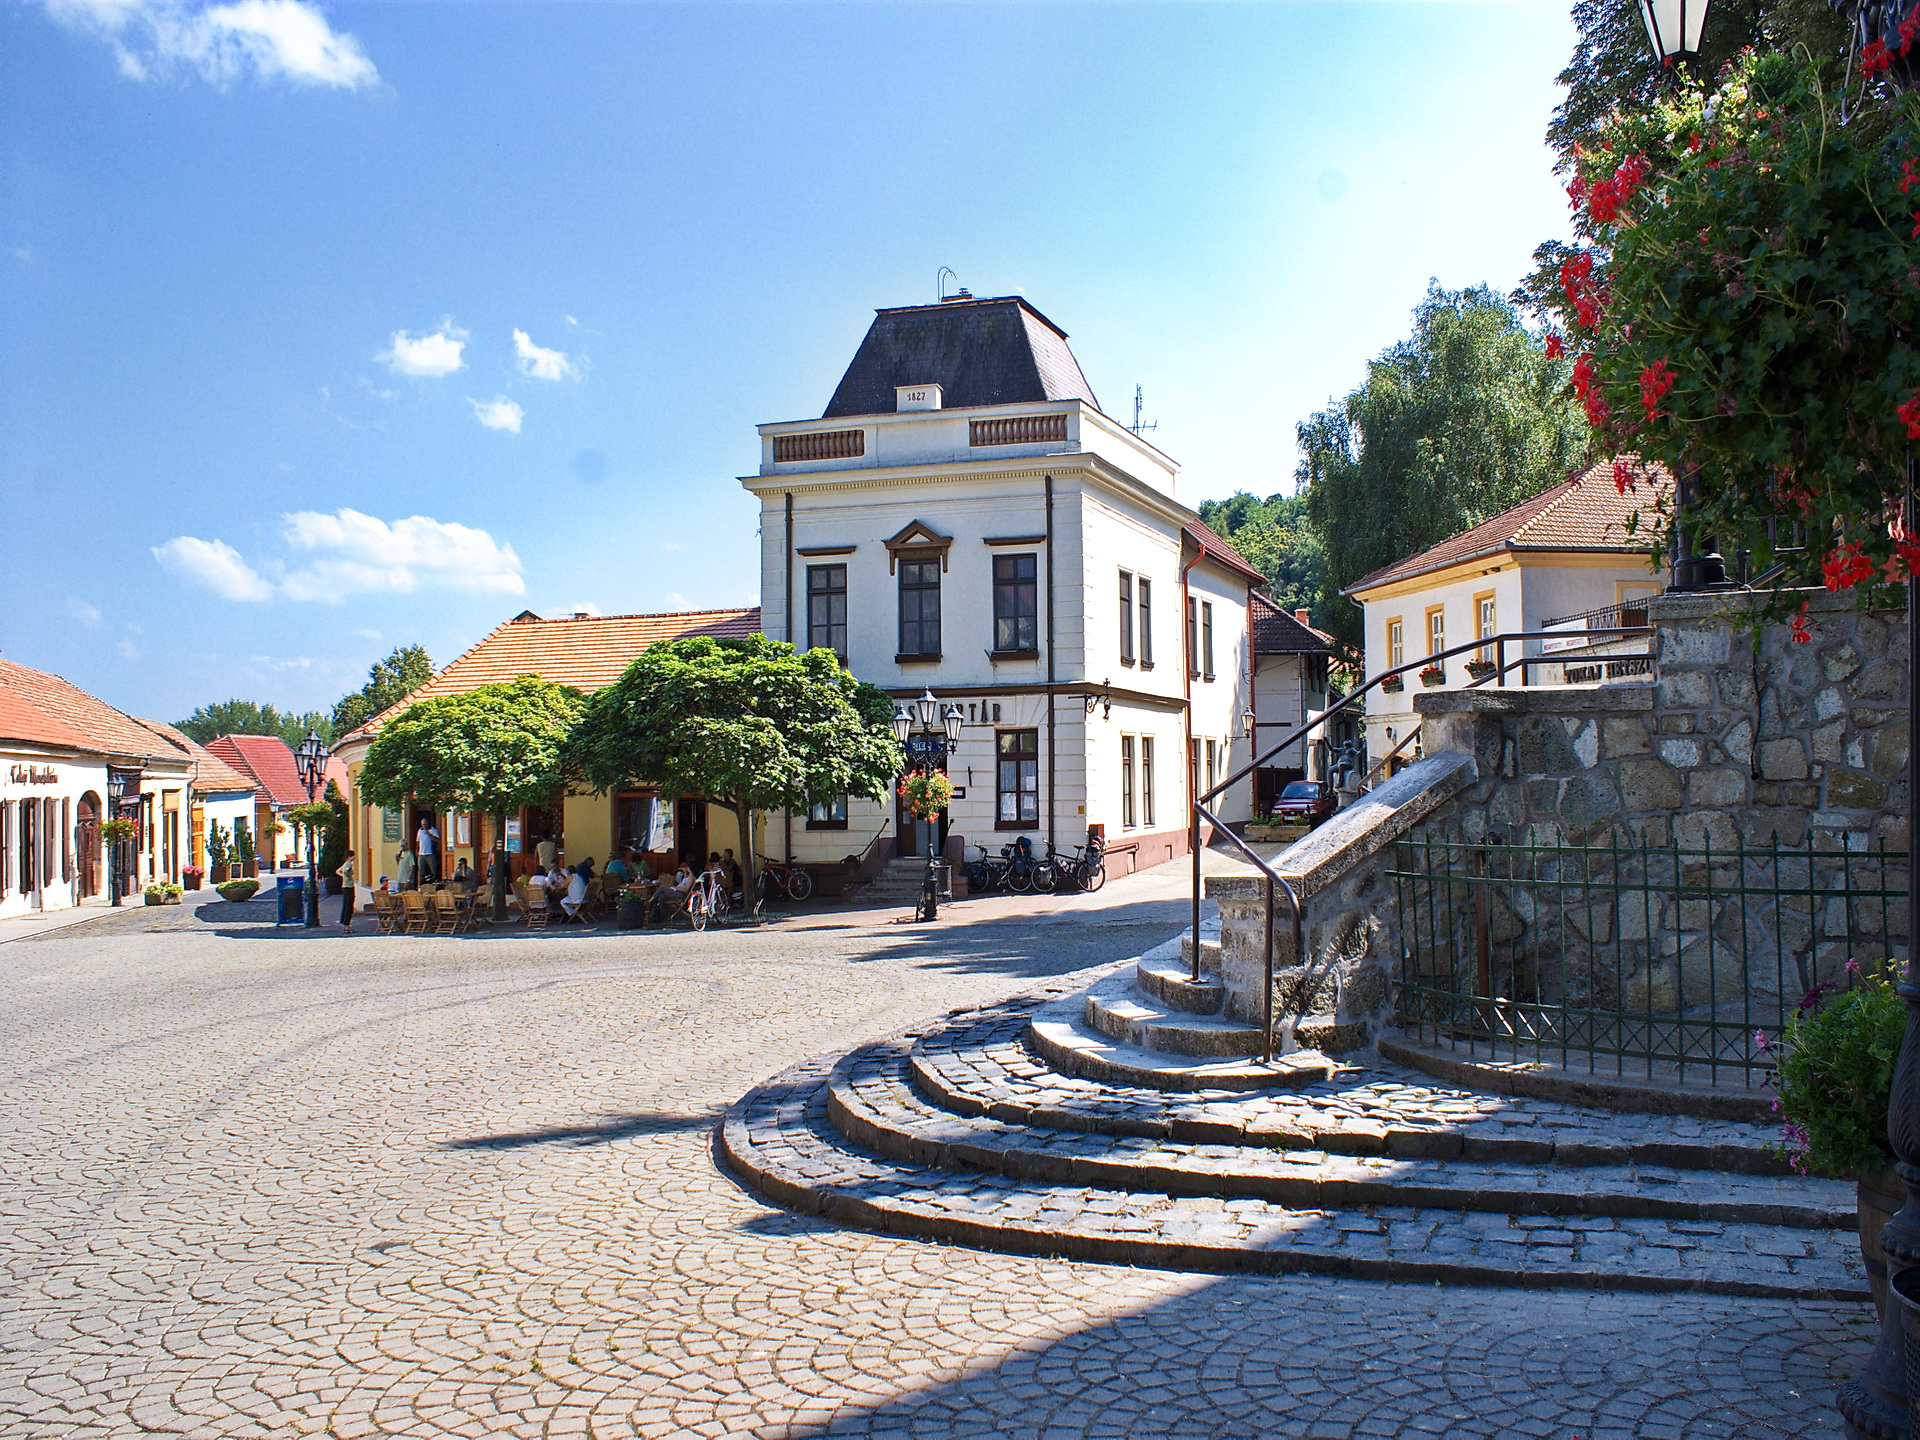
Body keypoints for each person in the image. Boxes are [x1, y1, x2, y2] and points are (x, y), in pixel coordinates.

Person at [416, 819, 441, 885]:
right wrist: (417, 851)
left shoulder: (433, 830)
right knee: (421, 871)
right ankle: (420, 885)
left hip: (430, 853)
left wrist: (429, 834)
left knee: (434, 869)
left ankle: (436, 883)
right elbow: (418, 841)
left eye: (425, 824)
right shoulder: (420, 831)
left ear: (428, 824)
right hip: (422, 853)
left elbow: (437, 840)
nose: (423, 826)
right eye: (422, 825)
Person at [338, 849, 357, 928]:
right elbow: (346, 871)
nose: (354, 857)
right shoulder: (349, 864)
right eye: (353, 856)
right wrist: (349, 877)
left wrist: (344, 876)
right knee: (349, 906)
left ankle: (343, 922)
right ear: (349, 857)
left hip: (345, 886)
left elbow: (338, 871)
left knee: (346, 905)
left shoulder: (345, 864)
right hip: (349, 887)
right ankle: (346, 924)